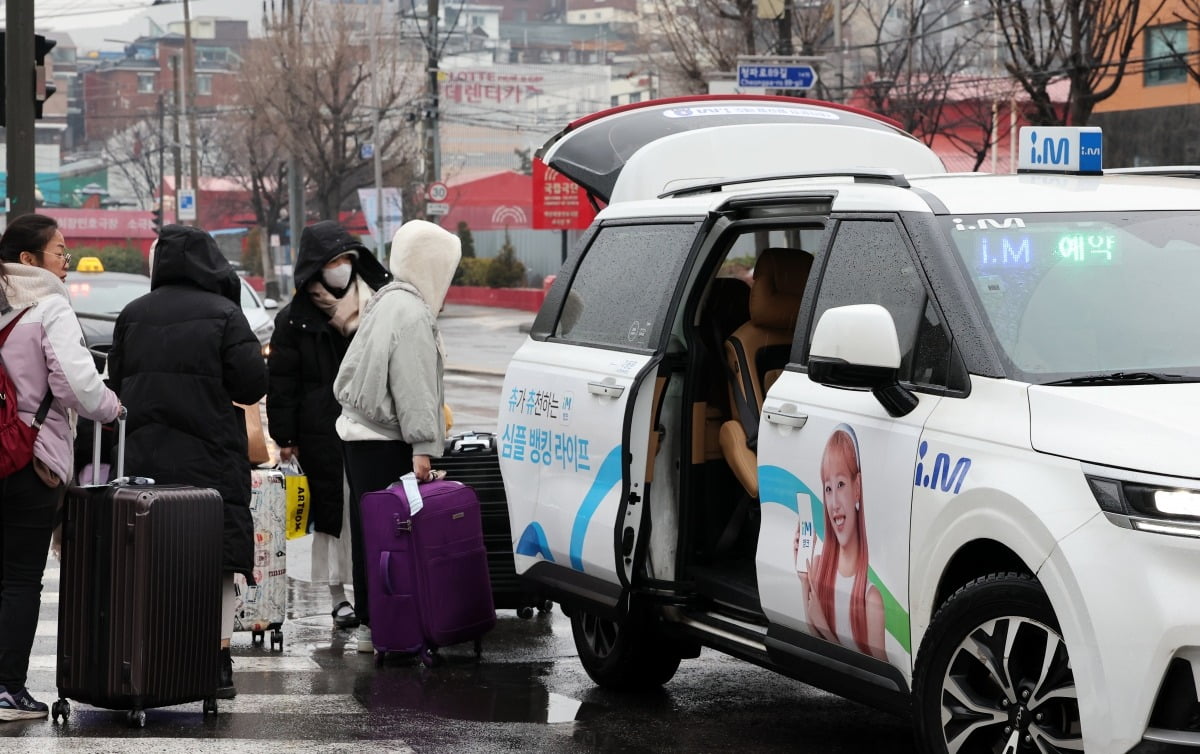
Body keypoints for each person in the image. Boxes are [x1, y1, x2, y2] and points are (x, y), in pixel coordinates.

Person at [107, 224, 267, 699]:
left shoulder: (133, 314)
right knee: (216, 562)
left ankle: (150, 658)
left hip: (143, 458)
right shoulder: (224, 314)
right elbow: (250, 386)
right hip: (210, 459)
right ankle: (216, 663)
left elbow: (116, 379)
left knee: (151, 558)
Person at [0, 214, 121, 720]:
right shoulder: (48, 306)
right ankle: (8, 690)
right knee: (21, 578)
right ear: (31, 261)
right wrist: (114, 408)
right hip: (30, 458)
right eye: (60, 253)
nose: (66, 263)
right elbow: (78, 385)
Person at [333, 219, 461, 654]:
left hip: (359, 436)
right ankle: (395, 627)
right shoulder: (411, 312)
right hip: (386, 440)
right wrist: (424, 447)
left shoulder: (387, 301)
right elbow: (415, 386)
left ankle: (375, 623)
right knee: (395, 536)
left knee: (371, 535)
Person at [266, 221, 390, 631]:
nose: (340, 268)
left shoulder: (377, 306)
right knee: (332, 512)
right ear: (317, 267)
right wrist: (285, 438)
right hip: (320, 430)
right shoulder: (294, 319)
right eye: (332, 261)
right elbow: (282, 383)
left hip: (371, 425)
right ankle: (339, 597)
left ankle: (372, 590)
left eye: (346, 260)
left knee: (369, 508)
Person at [797, 425, 887, 661]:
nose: (834, 502)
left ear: (857, 488)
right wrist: (804, 582)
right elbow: (813, 640)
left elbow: (875, 679)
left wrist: (824, 625)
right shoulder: (817, 566)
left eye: (841, 485)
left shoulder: (872, 599)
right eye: (828, 488)